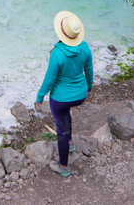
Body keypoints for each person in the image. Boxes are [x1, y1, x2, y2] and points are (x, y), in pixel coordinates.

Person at [35, 10, 93, 178]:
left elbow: (49, 80)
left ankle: (63, 166)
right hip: (80, 95)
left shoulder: (57, 54)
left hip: (60, 99)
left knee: (61, 129)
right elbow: (89, 69)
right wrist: (89, 86)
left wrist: (40, 96)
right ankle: (70, 142)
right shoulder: (84, 47)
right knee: (66, 115)